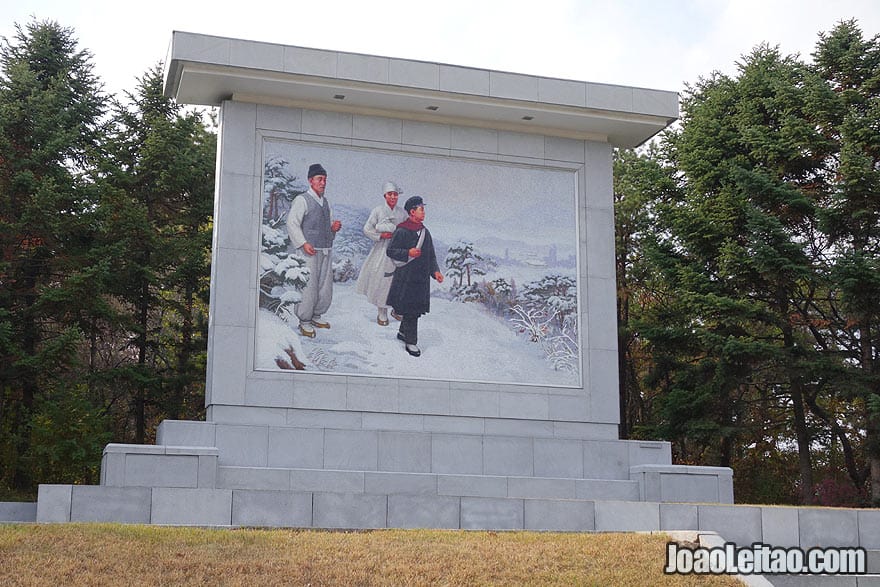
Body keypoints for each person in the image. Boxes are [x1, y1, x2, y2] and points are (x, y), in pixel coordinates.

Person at [285, 163, 342, 337]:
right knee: (309, 286)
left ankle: (317, 314)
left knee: (324, 286)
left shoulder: (325, 202)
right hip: (308, 251)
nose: (323, 183)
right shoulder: (302, 200)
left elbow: (327, 226)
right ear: (311, 181)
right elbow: (292, 223)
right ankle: (304, 320)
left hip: (325, 249)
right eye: (319, 179)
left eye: (324, 179)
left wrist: (333, 228)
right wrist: (303, 243)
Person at [386, 196, 444, 357]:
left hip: (421, 280)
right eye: (421, 209)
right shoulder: (402, 230)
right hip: (406, 278)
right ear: (412, 212)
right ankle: (411, 342)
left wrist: (436, 272)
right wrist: (408, 253)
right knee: (411, 309)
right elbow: (390, 251)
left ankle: (403, 333)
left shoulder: (425, 232)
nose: (424, 212)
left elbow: (431, 256)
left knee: (414, 309)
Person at [355, 181, 408, 326]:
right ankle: (382, 312)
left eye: (395, 194)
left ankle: (396, 309)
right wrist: (380, 235)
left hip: (398, 249)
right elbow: (367, 229)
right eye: (390, 194)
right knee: (383, 279)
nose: (393, 197)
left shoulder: (402, 213)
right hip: (382, 250)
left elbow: (407, 229)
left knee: (399, 279)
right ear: (385, 195)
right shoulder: (378, 211)